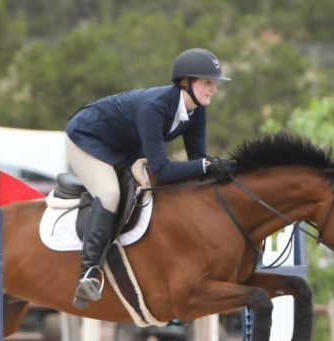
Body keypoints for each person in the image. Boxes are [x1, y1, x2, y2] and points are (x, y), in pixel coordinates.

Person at [65, 48, 237, 309]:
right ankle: (89, 273)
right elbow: (165, 169)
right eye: (207, 82)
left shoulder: (196, 111)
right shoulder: (154, 107)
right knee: (110, 193)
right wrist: (207, 165)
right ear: (185, 83)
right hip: (87, 140)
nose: (213, 88)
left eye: (213, 83)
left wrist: (216, 169)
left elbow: (198, 161)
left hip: (125, 147)